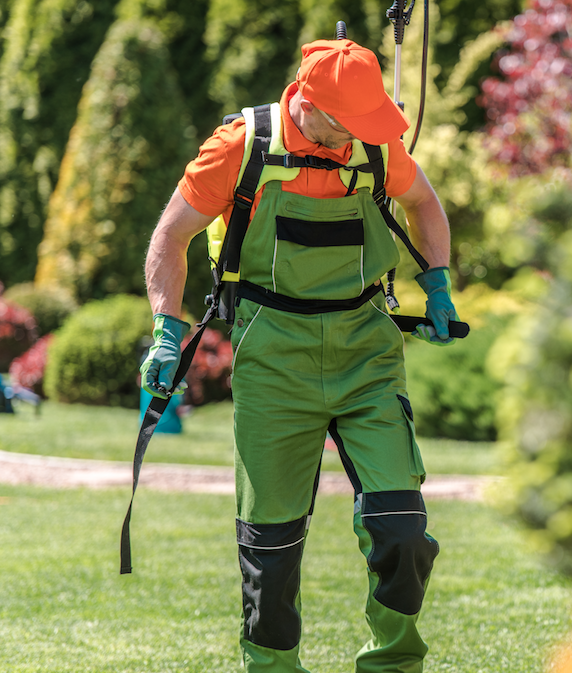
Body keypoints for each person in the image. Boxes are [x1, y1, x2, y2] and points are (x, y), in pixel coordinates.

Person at [140, 39, 458, 673]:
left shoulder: (372, 142)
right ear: (309, 104)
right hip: (272, 357)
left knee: (402, 532)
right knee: (271, 544)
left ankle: (394, 663)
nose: (359, 137)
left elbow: (423, 202)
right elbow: (172, 236)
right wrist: (166, 331)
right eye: (350, 122)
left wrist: (439, 282)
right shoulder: (242, 147)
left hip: (367, 354)